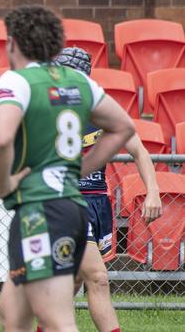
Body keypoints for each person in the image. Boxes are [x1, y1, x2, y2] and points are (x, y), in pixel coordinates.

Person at [0, 5, 135, 332]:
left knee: (55, 317)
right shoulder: (79, 82)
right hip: (67, 207)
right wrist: (80, 169)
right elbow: (123, 127)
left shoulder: (17, 80)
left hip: (42, 211)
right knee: (12, 314)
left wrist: (4, 184)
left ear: (13, 42)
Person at [50, 47, 162, 332]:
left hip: (98, 202)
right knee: (98, 278)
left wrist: (152, 191)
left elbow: (138, 150)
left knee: (73, 281)